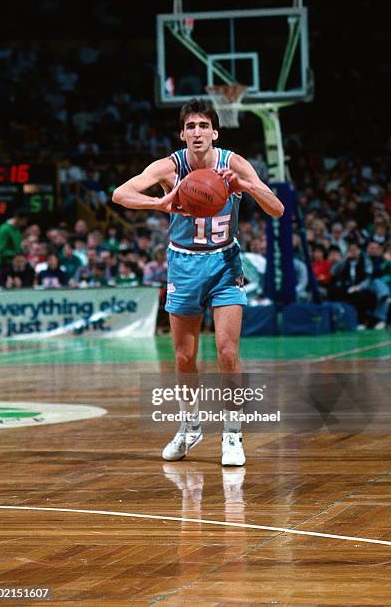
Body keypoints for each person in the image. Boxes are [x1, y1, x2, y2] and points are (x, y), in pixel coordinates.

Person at [112, 98, 284, 466]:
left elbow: (277, 208)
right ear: (182, 134)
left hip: (224, 262)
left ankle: (233, 432)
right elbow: (120, 194)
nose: (197, 132)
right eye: (190, 127)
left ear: (215, 132)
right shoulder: (169, 166)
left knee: (227, 351)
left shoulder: (233, 163)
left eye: (203, 126)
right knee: (184, 356)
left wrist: (247, 187)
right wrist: (159, 204)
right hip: (184, 264)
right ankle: (190, 425)